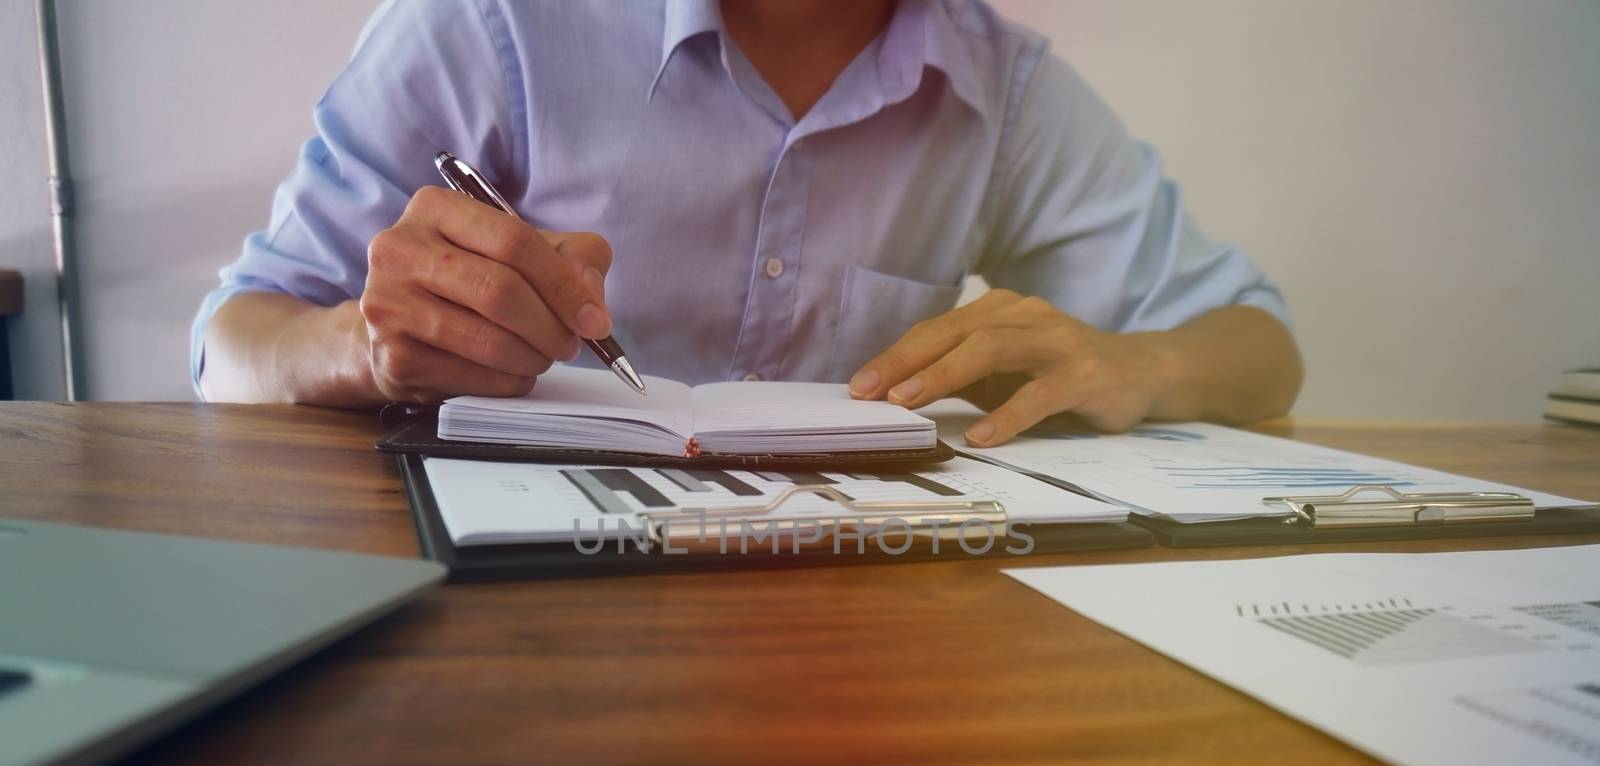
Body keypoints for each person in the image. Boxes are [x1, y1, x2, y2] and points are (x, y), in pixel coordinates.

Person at [194, 0, 1302, 446]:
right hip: (508, 624)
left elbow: (1259, 347)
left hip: (852, 642)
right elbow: (229, 347)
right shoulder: (491, 22)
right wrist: (360, 344)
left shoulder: (999, 86)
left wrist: (1137, 363)